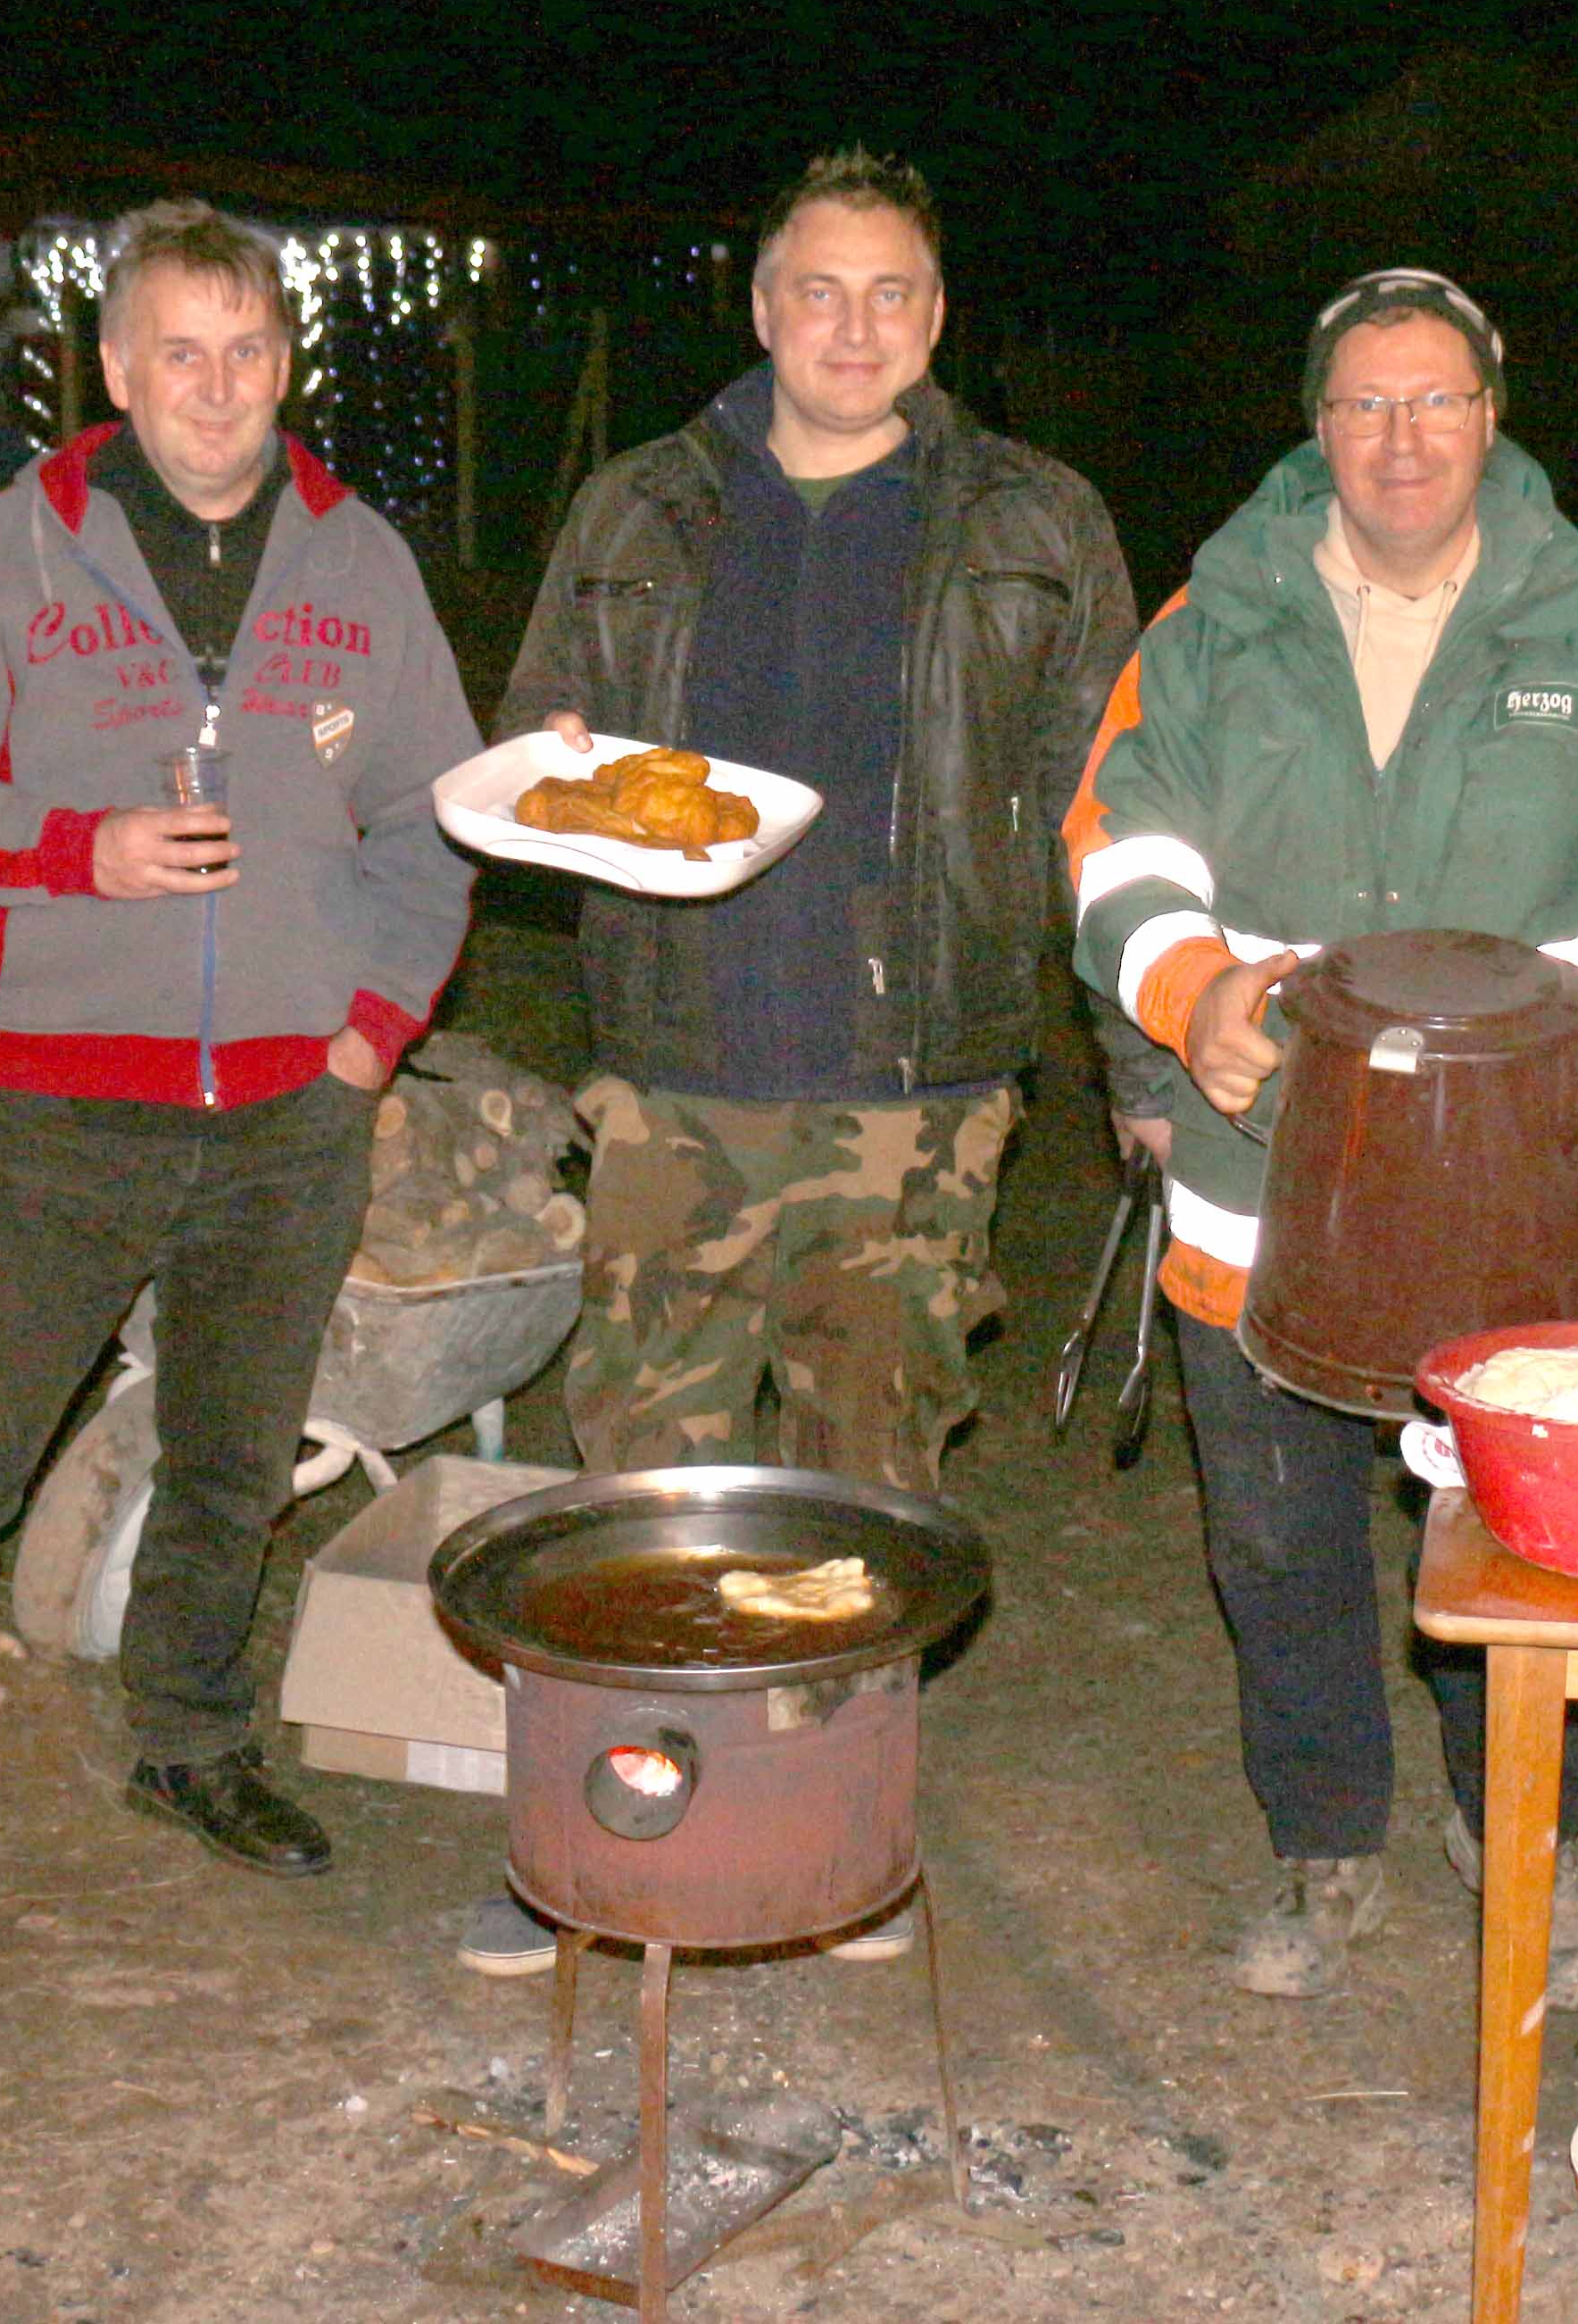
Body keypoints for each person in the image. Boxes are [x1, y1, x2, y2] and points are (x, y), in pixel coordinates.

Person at [0, 199, 479, 1945]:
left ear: (287, 364)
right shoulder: (22, 546)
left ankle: (191, 1738)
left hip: (288, 1119)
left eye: (246, 352)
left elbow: (439, 818)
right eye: (178, 351)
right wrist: (77, 852)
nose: (215, 387)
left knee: (235, 1464)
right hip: (61, 1104)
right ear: (114, 366)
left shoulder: (359, 561)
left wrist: (370, 1035)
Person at [477, 146, 1135, 1974]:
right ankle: (603, 1822)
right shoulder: (638, 505)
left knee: (870, 1480)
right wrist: (563, 764)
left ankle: (836, 1833)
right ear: (762, 307)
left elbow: (1113, 798)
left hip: (915, 1093)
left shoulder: (1034, 520)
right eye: (819, 291)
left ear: (939, 316)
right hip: (675, 1070)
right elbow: (542, 725)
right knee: (640, 1472)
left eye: (894, 294)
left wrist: (1134, 1059)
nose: (856, 327)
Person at [1067, 269, 1578, 2004]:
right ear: (1317, 425)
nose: (1402, 437)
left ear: (1494, 414)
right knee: (1276, 1542)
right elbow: (1118, 839)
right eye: (1365, 403)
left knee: (1502, 1543)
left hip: (1506, 1200)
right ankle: (1324, 1848)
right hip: (1259, 1177)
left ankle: (1523, 1839)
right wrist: (1185, 987)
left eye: (1436, 398)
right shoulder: (1215, 619)